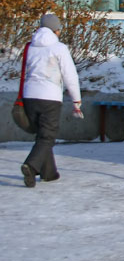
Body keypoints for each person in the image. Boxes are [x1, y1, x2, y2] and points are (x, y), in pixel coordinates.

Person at [20, 13, 83, 187]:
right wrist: (76, 100)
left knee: (42, 135)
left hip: (30, 96)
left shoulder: (30, 47)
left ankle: (49, 173)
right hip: (50, 97)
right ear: (56, 30)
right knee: (48, 137)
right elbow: (70, 75)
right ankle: (31, 166)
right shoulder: (59, 48)